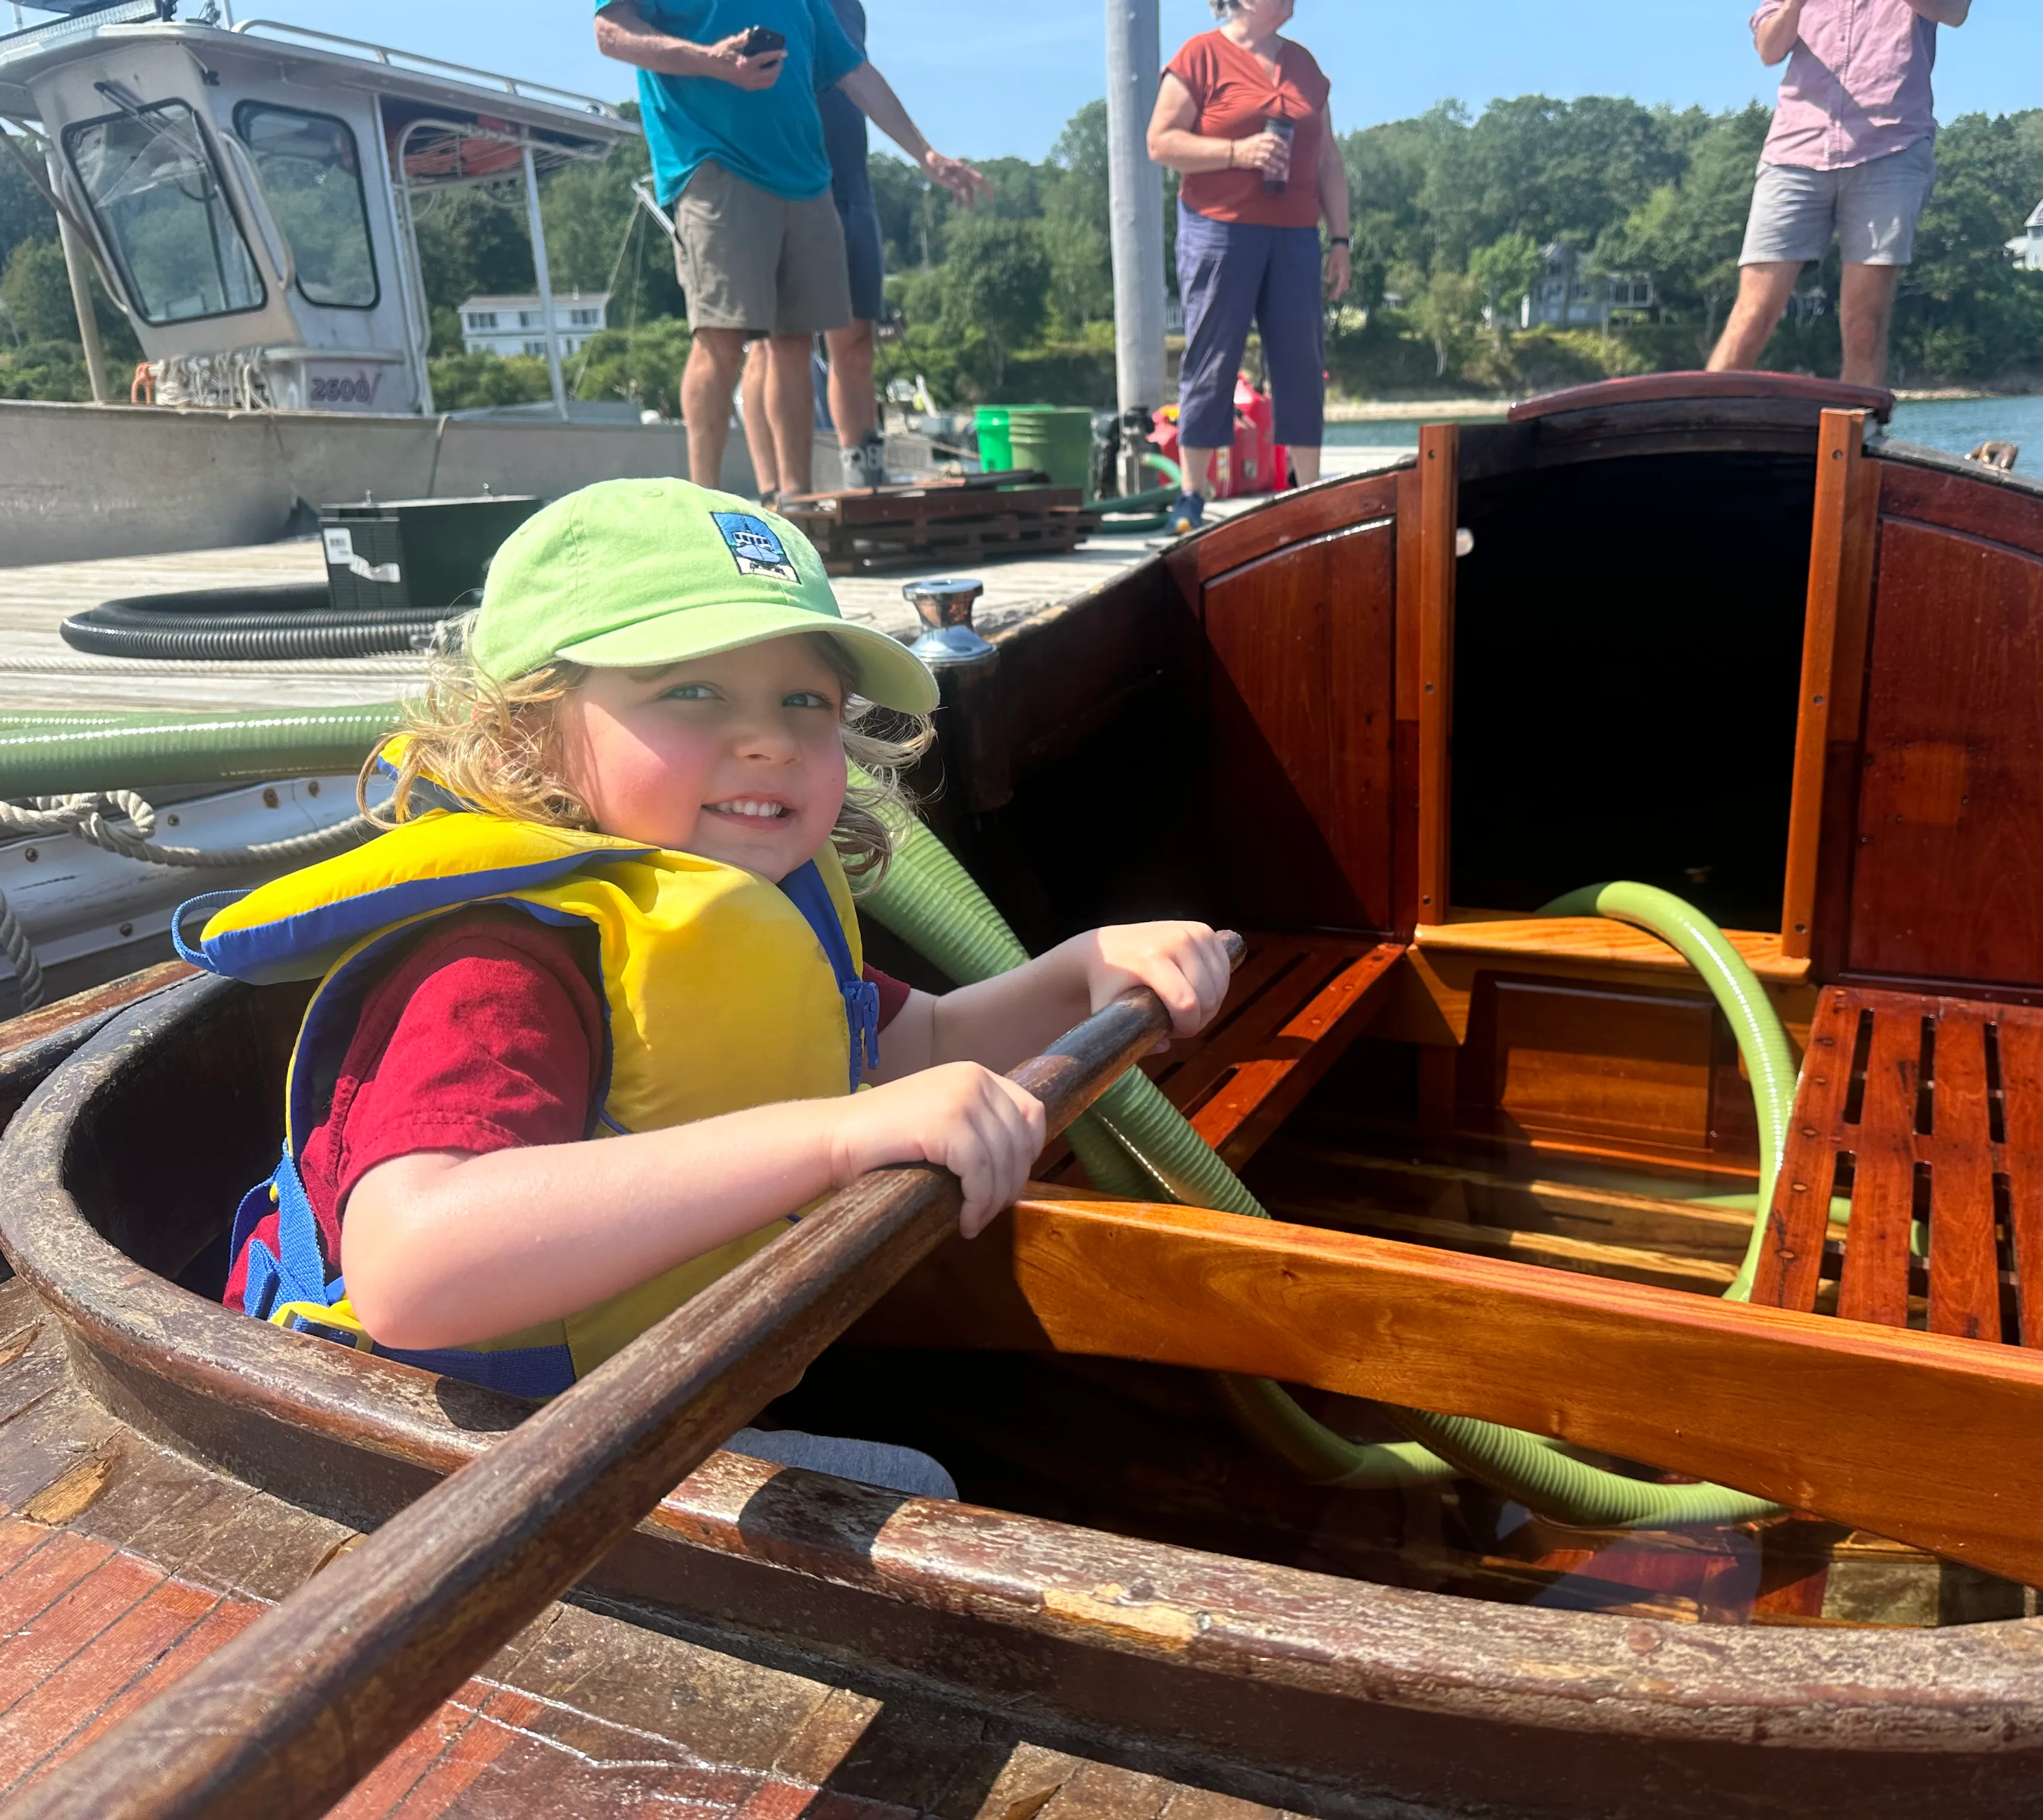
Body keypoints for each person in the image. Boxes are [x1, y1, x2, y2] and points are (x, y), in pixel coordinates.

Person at [197, 477, 1233, 1494]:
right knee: (915, 1487)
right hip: (420, 1441)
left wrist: (1076, 976)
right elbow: (413, 1270)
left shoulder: (755, 905)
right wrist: (831, 1138)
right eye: (690, 689)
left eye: (806, 701)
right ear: (528, 731)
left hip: (639, 1388)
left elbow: (912, 1051)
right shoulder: (497, 970)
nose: (770, 737)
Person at [596, 1, 988, 500]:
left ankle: (795, 508)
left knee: (794, 344)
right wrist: (710, 59)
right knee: (721, 336)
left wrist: (925, 154)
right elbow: (611, 32)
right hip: (714, 162)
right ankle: (705, 513)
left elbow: (853, 71)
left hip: (805, 175)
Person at [1147, 0, 1351, 535]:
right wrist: (1239, 153)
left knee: (1302, 361)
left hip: (1295, 235)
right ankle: (1193, 493)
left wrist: (1341, 239)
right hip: (1218, 228)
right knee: (1211, 356)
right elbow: (1161, 142)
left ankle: (1309, 491)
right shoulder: (1201, 56)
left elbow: (1328, 157)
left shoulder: (1305, 66)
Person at [1704, 0, 1970, 391]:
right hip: (1795, 151)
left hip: (1889, 148)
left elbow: (1954, 12)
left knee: (1865, 325)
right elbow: (1769, 50)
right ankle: (1696, 430)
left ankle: (1853, 439)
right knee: (1751, 317)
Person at [740, 0, 926, 499]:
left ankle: (864, 478)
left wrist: (926, 153)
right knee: (777, 342)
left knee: (857, 337)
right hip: (776, 174)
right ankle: (775, 492)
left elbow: (859, 76)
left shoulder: (847, 8)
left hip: (849, 180)